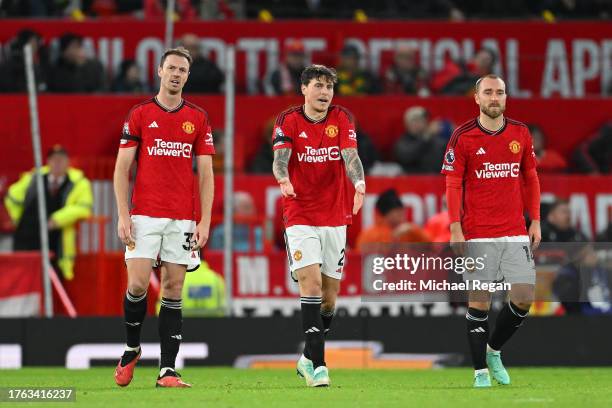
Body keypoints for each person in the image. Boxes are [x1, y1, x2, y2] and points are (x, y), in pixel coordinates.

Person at [112, 47, 215, 388]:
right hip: (144, 215)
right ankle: (131, 348)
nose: (176, 74)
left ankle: (167, 371)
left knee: (173, 289)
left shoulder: (198, 118)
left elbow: (206, 174)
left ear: (187, 76)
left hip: (182, 218)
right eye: (171, 67)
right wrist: (123, 215)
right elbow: (122, 168)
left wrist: (205, 220)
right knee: (138, 285)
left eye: (182, 70)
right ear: (159, 71)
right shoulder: (140, 114)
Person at [441, 74, 541, 387]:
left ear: (506, 97)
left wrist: (535, 219)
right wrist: (456, 226)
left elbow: (531, 176)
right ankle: (480, 373)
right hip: (478, 231)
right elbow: (453, 182)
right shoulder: (463, 136)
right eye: (488, 93)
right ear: (477, 98)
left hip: (514, 229)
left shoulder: (521, 133)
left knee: (524, 297)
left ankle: (493, 350)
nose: (494, 98)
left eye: (499, 92)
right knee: (480, 300)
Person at [272, 64, 366, 387]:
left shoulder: (341, 118)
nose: (325, 92)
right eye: (318, 85)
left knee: (329, 298)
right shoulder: (288, 120)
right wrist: (283, 179)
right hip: (299, 214)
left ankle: (307, 357)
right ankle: (320, 366)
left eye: (329, 87)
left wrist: (360, 184)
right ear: (304, 89)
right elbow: (280, 159)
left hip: (335, 216)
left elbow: (350, 156)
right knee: (309, 286)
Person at [4, 145, 93, 280]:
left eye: (61, 159)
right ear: (48, 161)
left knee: (51, 283)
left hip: (56, 243)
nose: (57, 163)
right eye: (54, 159)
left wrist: (57, 219)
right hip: (26, 240)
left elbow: (84, 209)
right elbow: (12, 197)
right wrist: (16, 219)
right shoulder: (33, 178)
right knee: (24, 281)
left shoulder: (79, 183)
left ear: (68, 162)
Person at [356, 189, 430, 251]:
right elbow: (360, 257)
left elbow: (431, 247)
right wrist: (393, 237)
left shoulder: (409, 231)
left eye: (402, 211)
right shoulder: (370, 235)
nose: (402, 215)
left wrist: (413, 230)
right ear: (386, 214)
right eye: (398, 212)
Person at [393, 106, 447, 173]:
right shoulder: (403, 143)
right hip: (413, 181)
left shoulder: (436, 140)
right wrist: (426, 136)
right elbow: (407, 157)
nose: (420, 123)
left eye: (422, 120)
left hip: (437, 180)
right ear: (407, 123)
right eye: (416, 120)